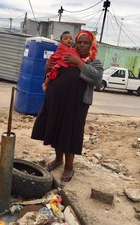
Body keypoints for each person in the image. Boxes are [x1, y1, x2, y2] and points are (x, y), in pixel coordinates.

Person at [31, 30, 103, 182]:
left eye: (86, 43)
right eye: (80, 42)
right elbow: (52, 73)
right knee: (58, 129)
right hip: (58, 100)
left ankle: (69, 167)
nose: (82, 45)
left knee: (71, 133)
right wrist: (47, 67)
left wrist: (78, 62)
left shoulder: (94, 62)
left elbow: (96, 79)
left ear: (91, 45)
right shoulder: (65, 54)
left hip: (77, 104)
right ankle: (58, 160)